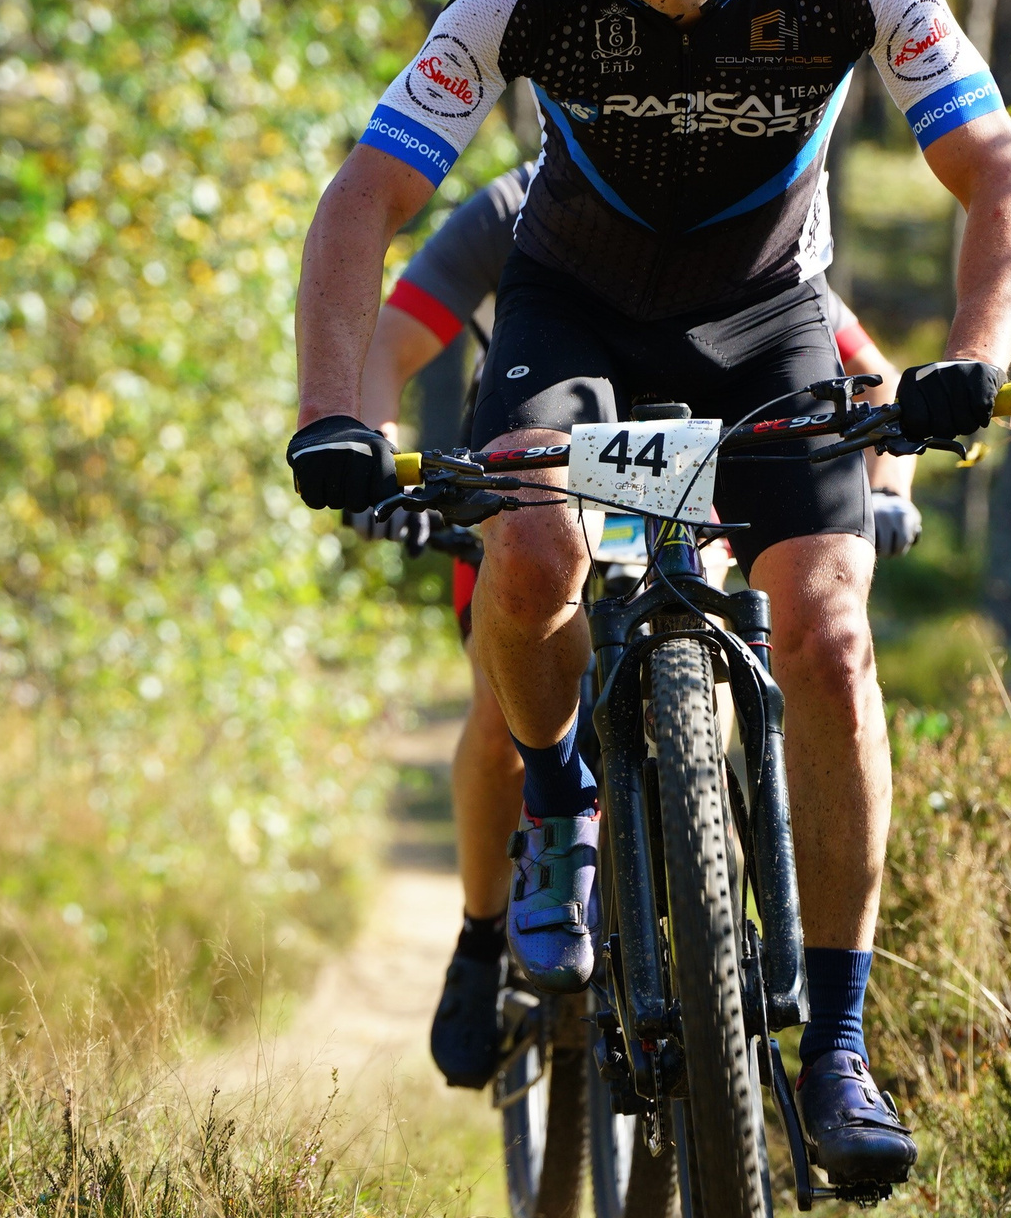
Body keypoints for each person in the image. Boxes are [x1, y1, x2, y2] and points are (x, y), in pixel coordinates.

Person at [287, 0, 1011, 1191]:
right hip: (573, 317)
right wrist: (334, 412)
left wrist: (972, 363)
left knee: (827, 633)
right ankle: (559, 800)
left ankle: (835, 1041)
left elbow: (1001, 183)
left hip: (771, 319)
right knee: (528, 547)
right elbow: (359, 205)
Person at [353, 164, 924, 1088]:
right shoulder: (507, 210)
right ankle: (480, 935)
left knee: (726, 668)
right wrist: (383, 458)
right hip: (540, 478)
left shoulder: (729, 214)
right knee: (504, 712)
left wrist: (890, 489)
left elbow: (860, 366)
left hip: (675, 501)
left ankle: (698, 895)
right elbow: (392, 340)